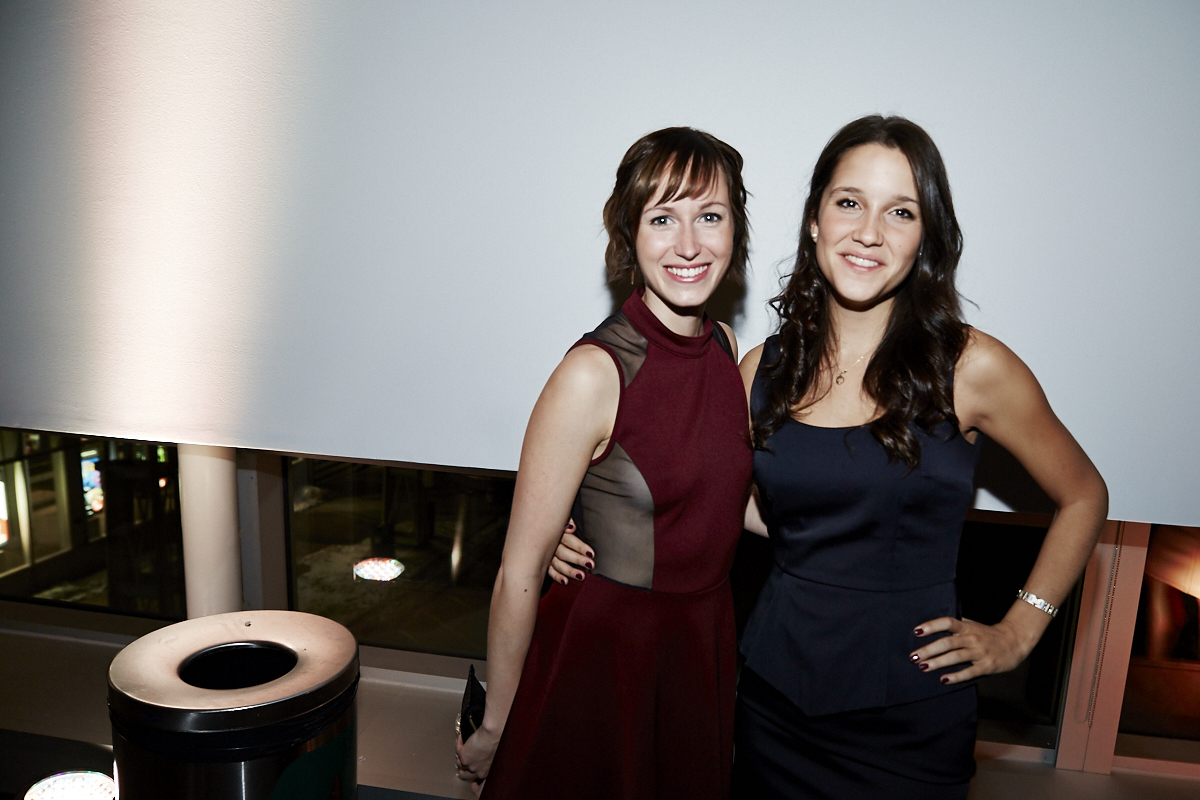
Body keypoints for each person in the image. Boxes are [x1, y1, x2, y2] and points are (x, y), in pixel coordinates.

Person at [552, 115, 1108, 798]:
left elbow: (1084, 494)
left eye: (899, 211)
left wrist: (1020, 631)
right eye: (848, 203)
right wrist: (579, 532)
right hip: (772, 700)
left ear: (926, 235)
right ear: (815, 219)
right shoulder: (762, 368)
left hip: (909, 719)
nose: (868, 231)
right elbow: (704, 493)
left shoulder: (973, 366)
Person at [455, 127, 754, 799]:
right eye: (662, 219)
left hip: (699, 648)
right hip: (604, 656)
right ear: (629, 234)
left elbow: (715, 505)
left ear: (735, 229)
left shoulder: (726, 347)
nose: (688, 244)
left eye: (709, 216)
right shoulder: (594, 373)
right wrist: (498, 726)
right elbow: (519, 572)